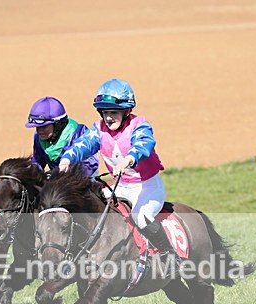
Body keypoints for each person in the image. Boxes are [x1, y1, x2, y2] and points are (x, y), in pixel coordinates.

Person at [58, 79, 181, 268]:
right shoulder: (99, 129)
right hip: (119, 187)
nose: (108, 118)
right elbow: (84, 144)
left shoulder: (140, 125)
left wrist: (129, 159)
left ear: (127, 112)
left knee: (141, 217)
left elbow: (143, 144)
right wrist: (67, 159)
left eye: (113, 113)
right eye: (105, 113)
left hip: (146, 187)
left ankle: (169, 256)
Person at [25, 96, 98, 177]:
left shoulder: (79, 132)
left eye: (44, 126)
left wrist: (63, 175)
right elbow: (38, 161)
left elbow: (90, 165)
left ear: (58, 125)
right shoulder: (38, 137)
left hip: (83, 180)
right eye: (37, 127)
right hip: (57, 182)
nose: (40, 130)